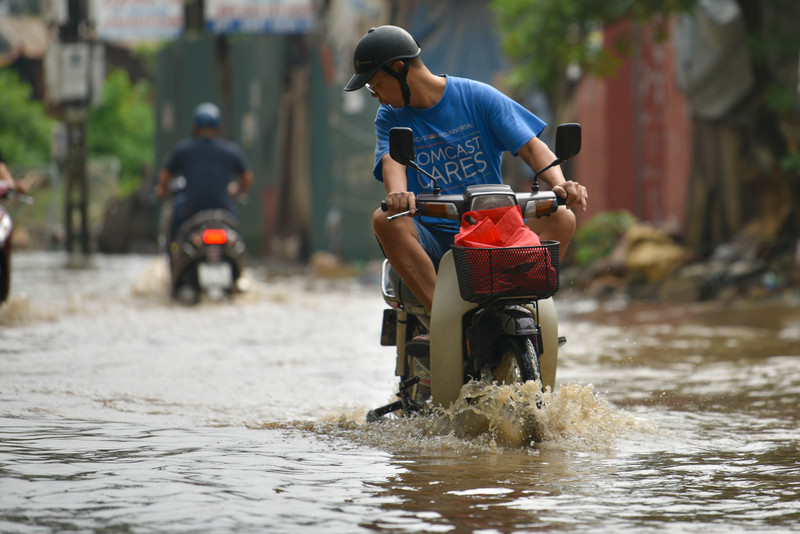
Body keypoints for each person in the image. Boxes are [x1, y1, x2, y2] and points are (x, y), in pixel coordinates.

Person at [344, 25, 588, 312]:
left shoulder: (478, 97)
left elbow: (532, 147)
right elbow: (393, 160)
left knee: (562, 216)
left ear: (398, 68)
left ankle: (521, 308)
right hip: (433, 239)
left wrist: (559, 183)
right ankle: (442, 317)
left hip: (495, 233)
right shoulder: (390, 115)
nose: (376, 96)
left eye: (374, 85)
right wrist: (398, 193)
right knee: (386, 218)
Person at [155, 102, 253, 240]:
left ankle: (174, 249)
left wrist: (162, 191)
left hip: (191, 211)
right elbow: (247, 178)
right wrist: (237, 191)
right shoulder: (231, 150)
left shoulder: (183, 150)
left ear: (195, 127)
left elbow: (165, 176)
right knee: (234, 223)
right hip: (223, 210)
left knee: (175, 225)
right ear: (218, 127)